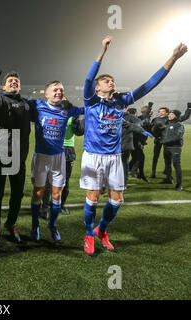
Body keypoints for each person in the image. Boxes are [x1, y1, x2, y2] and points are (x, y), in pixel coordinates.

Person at [80, 36, 187, 256]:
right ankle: (89, 234)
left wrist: (173, 58)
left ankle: (102, 230)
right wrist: (103, 50)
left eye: (112, 80)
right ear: (98, 87)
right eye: (106, 80)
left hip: (114, 156)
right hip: (93, 156)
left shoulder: (121, 102)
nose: (111, 82)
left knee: (117, 200)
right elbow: (89, 77)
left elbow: (149, 84)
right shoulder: (90, 100)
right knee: (92, 198)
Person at [0, 69, 36, 244]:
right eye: (10, 81)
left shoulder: (27, 104)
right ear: (3, 86)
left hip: (19, 158)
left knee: (18, 194)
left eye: (16, 80)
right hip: (0, 157)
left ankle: (10, 224)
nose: (14, 82)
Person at [30, 83, 84, 243]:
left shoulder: (67, 109)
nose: (59, 91)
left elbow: (87, 109)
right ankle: (35, 225)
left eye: (61, 89)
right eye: (55, 89)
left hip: (59, 157)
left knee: (57, 194)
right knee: (38, 192)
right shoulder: (37, 105)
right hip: (41, 156)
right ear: (46, 94)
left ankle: (52, 225)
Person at [41, 114, 85, 217]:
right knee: (48, 180)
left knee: (65, 181)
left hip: (67, 149)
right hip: (53, 148)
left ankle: (60, 205)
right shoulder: (50, 115)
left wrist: (78, 121)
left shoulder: (71, 117)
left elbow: (79, 132)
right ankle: (45, 207)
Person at [121, 108, 153, 187]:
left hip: (125, 144)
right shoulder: (111, 116)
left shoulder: (126, 117)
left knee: (124, 163)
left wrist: (142, 130)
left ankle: (124, 183)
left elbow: (133, 124)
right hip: (112, 145)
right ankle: (106, 185)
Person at [160, 110, 185, 190]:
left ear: (176, 116)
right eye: (169, 114)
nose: (170, 115)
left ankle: (179, 184)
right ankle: (169, 179)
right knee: (167, 164)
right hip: (166, 147)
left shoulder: (179, 125)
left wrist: (165, 141)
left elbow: (177, 136)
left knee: (176, 165)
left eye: (172, 114)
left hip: (175, 148)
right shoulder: (167, 124)